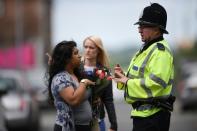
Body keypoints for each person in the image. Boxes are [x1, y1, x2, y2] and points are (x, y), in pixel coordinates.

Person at [113, 3, 175, 131]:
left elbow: (156, 84)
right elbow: (138, 78)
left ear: (157, 28)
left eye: (143, 26)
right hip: (144, 116)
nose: (139, 30)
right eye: (139, 26)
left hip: (153, 118)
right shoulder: (146, 49)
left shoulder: (160, 52)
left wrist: (128, 82)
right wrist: (122, 77)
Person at [46, 40, 95, 131]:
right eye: (76, 53)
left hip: (84, 126)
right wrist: (84, 82)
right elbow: (73, 100)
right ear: (67, 58)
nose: (80, 55)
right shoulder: (60, 78)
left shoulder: (76, 74)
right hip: (68, 127)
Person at [81, 35, 118, 131]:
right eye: (85, 47)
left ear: (98, 50)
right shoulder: (76, 69)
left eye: (91, 47)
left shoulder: (104, 72)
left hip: (98, 120)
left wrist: (114, 125)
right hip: (77, 121)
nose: (87, 50)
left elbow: (109, 100)